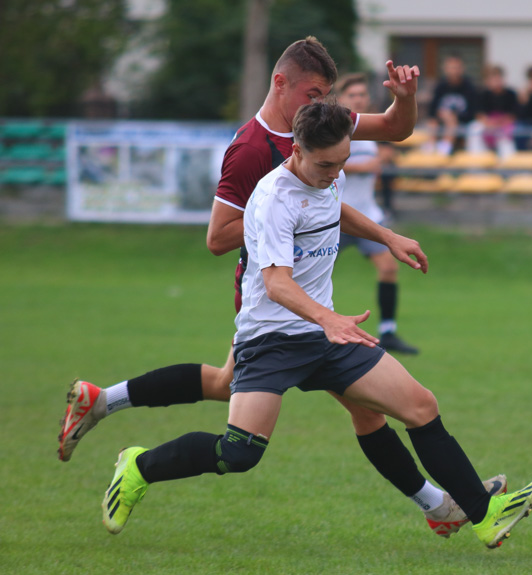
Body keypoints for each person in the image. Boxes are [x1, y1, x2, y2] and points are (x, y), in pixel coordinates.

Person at [60, 37, 504, 538]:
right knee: (242, 440)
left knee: (398, 407)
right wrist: (275, 228)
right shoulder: (255, 154)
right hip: (274, 309)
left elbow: (390, 135)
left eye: (327, 95)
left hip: (316, 319)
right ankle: (134, 455)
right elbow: (222, 242)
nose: (324, 104)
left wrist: (385, 223)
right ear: (281, 84)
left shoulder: (323, 127)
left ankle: (468, 511)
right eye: (314, 93)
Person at [336, 73, 419, 354]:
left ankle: (388, 332)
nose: (358, 99)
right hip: (333, 219)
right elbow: (318, 163)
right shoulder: (333, 129)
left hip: (368, 216)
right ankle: (304, 327)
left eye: (362, 94)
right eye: (352, 95)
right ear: (340, 100)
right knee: (311, 272)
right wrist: (367, 164)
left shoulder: (368, 130)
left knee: (389, 267)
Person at [426, 54, 479, 156]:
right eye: (450, 68)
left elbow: (473, 113)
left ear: (462, 69)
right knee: (432, 123)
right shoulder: (440, 87)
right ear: (445, 69)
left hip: (463, 124)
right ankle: (431, 150)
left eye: (456, 68)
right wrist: (442, 115)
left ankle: (444, 149)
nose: (453, 71)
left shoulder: (469, 87)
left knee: (452, 121)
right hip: (442, 122)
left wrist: (454, 116)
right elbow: (432, 112)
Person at [473, 64, 519, 155]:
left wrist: (499, 122)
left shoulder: (511, 94)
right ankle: (476, 163)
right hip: (488, 125)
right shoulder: (483, 94)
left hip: (504, 127)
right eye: (493, 79)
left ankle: (507, 165)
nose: (496, 82)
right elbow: (479, 114)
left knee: (506, 141)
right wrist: (488, 122)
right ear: (488, 81)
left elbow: (514, 114)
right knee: (474, 128)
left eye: (498, 79)